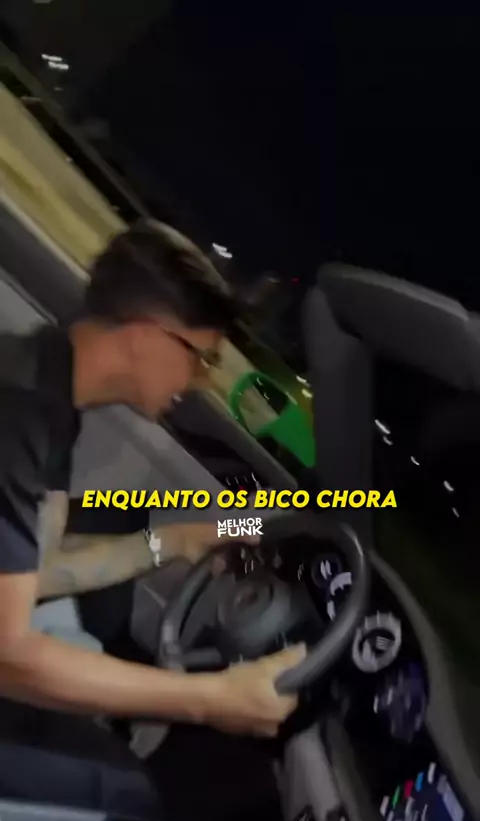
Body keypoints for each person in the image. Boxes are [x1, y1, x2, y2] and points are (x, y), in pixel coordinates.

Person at [0, 219, 305, 737]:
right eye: (202, 358)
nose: (202, 379)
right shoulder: (20, 413)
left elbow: (38, 568)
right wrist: (211, 700)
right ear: (144, 338)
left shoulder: (48, 392)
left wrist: (179, 540)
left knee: (122, 517)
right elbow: (9, 654)